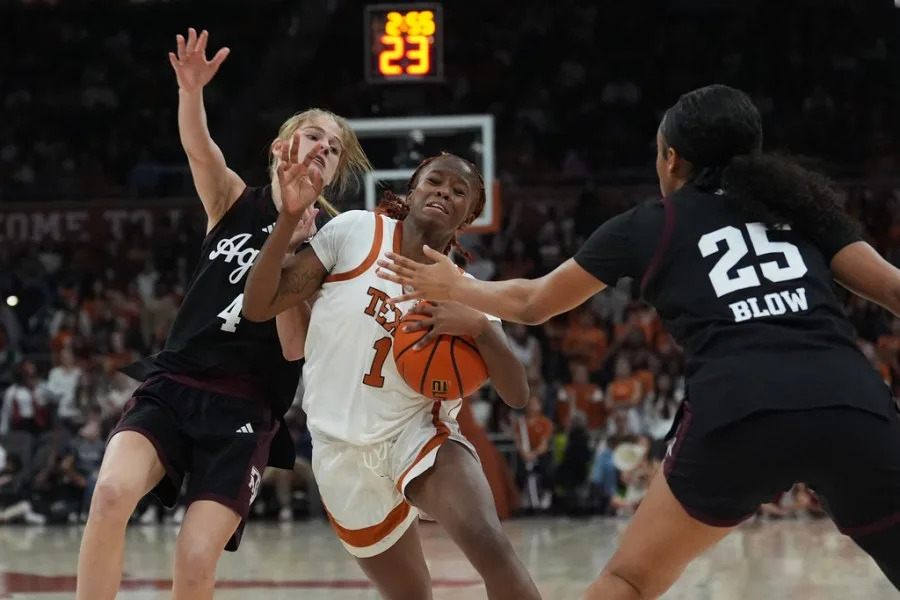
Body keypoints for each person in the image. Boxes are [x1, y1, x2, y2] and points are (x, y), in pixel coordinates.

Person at [376, 84, 900, 598]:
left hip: (741, 405)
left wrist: (457, 286)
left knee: (629, 581)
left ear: (671, 160)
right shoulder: (802, 210)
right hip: (849, 401)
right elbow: (894, 289)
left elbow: (536, 302)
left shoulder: (653, 223)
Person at [75, 28, 370, 600]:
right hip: (175, 382)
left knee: (194, 558)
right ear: (281, 147)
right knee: (110, 495)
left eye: (333, 149)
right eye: (313, 136)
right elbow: (199, 147)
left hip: (245, 403)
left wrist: (286, 254)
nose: (322, 149)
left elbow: (293, 349)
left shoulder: (331, 242)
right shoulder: (234, 198)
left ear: (334, 173)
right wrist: (190, 90)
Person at [242, 151, 542, 600]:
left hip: (417, 435)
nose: (445, 192)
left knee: (491, 546)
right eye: (435, 182)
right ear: (412, 189)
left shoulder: (463, 287)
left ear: (470, 215)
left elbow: (517, 394)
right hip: (338, 449)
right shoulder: (355, 232)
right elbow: (258, 306)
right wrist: (285, 223)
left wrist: (479, 326)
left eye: (460, 192)